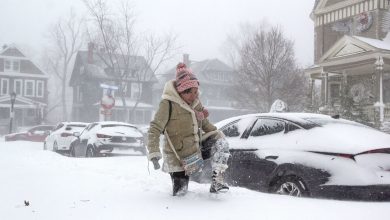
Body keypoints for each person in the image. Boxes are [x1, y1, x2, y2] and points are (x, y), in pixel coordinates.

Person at [147, 63, 230, 196]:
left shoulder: (196, 103)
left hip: (196, 150)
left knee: (221, 142)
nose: (194, 96)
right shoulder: (167, 104)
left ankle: (217, 181)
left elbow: (205, 124)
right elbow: (154, 128)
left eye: (195, 91)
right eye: (189, 92)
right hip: (178, 157)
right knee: (181, 194)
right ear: (180, 91)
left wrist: (219, 135)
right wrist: (154, 152)